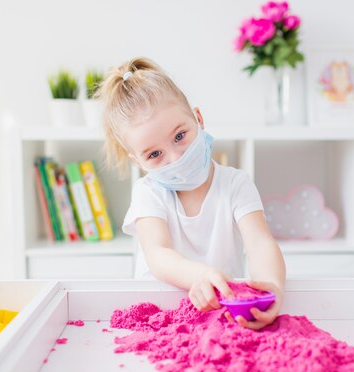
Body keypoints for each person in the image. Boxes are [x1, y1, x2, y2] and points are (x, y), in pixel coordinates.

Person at [95, 57, 286, 330]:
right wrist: (201, 275)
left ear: (198, 119)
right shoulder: (148, 193)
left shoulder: (235, 184)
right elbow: (158, 253)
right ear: (137, 161)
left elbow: (260, 244)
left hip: (220, 320)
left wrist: (272, 287)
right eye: (155, 154)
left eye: (179, 136)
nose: (175, 158)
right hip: (159, 321)